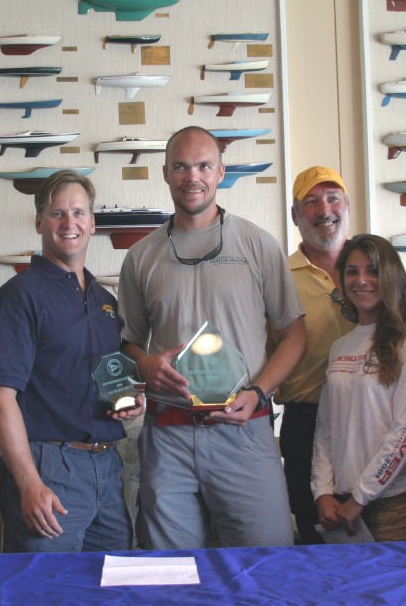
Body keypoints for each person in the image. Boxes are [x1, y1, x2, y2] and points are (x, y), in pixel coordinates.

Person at [119, 125, 306, 549]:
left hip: (244, 429)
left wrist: (259, 392)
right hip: (168, 435)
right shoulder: (141, 256)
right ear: (165, 173)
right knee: (172, 576)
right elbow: (128, 341)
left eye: (203, 166)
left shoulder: (258, 245)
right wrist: (144, 364)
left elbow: (294, 335)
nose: (192, 177)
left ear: (221, 172)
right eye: (181, 167)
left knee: (266, 563)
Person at [0, 171, 142, 552]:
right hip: (48, 467)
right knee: (45, 589)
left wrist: (129, 399)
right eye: (58, 214)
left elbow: (107, 378)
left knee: (108, 587)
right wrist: (30, 483)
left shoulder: (105, 301)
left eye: (79, 213)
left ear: (93, 224)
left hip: (108, 466)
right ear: (39, 222)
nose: (70, 223)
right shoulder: (19, 298)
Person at [311, 235, 406, 542]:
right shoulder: (340, 346)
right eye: (352, 271)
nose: (361, 280)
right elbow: (325, 429)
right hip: (339, 506)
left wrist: (361, 498)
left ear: (390, 276)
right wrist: (322, 491)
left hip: (392, 509)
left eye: (372, 270)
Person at [277, 166, 355, 544]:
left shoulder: (371, 268)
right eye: (311, 201)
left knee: (379, 533)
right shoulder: (278, 275)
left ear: (347, 206)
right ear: (295, 216)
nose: (325, 209)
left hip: (371, 420)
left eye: (333, 198)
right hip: (306, 422)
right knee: (316, 535)